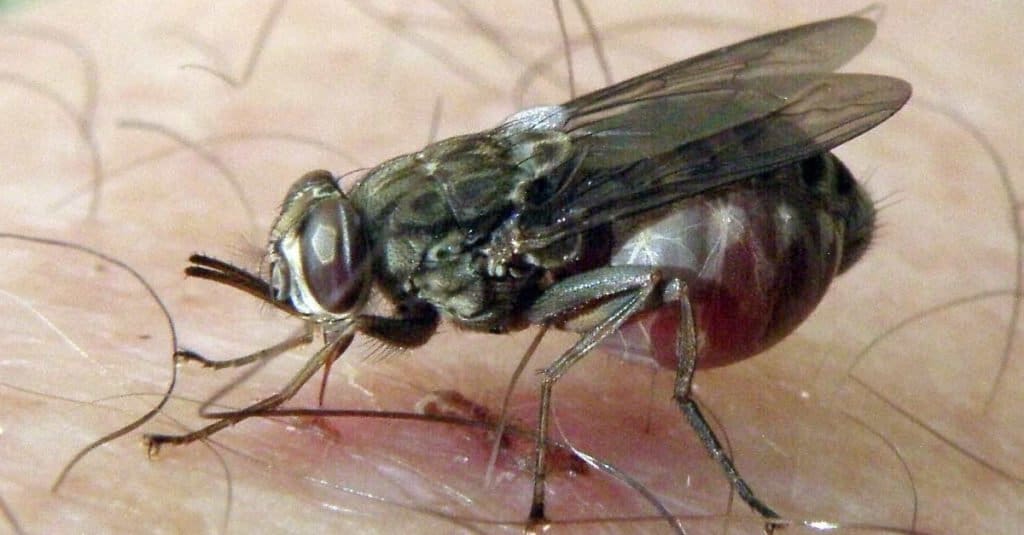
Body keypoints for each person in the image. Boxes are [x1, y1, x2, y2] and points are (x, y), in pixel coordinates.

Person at [1, 1, 1019, 533]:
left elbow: (646, 273)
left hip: (784, 205)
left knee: (639, 287)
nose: (320, 295)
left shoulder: (468, 251)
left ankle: (734, 484)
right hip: (628, 162)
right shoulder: (400, 250)